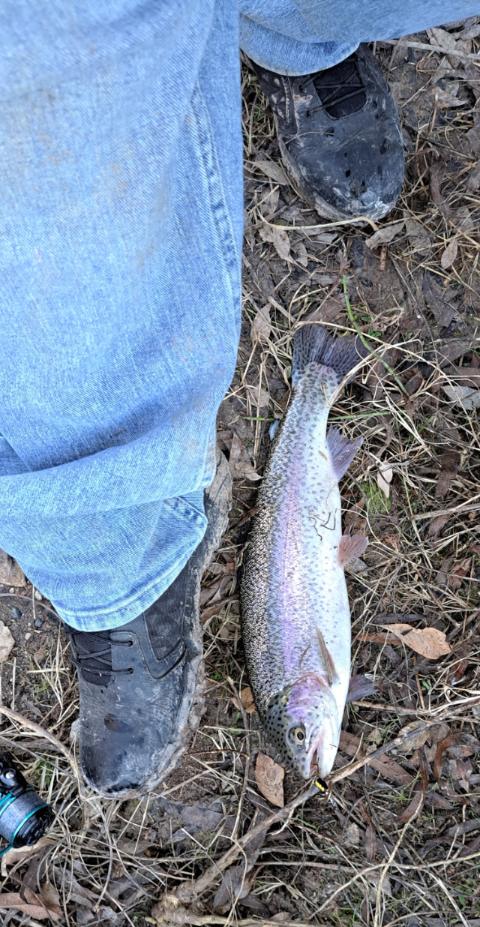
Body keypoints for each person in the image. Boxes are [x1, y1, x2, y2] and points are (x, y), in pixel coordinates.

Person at [0, 2, 477, 798]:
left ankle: (307, 25)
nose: (314, 746)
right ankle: (119, 559)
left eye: (301, 732)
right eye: (299, 735)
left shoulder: (309, 687)